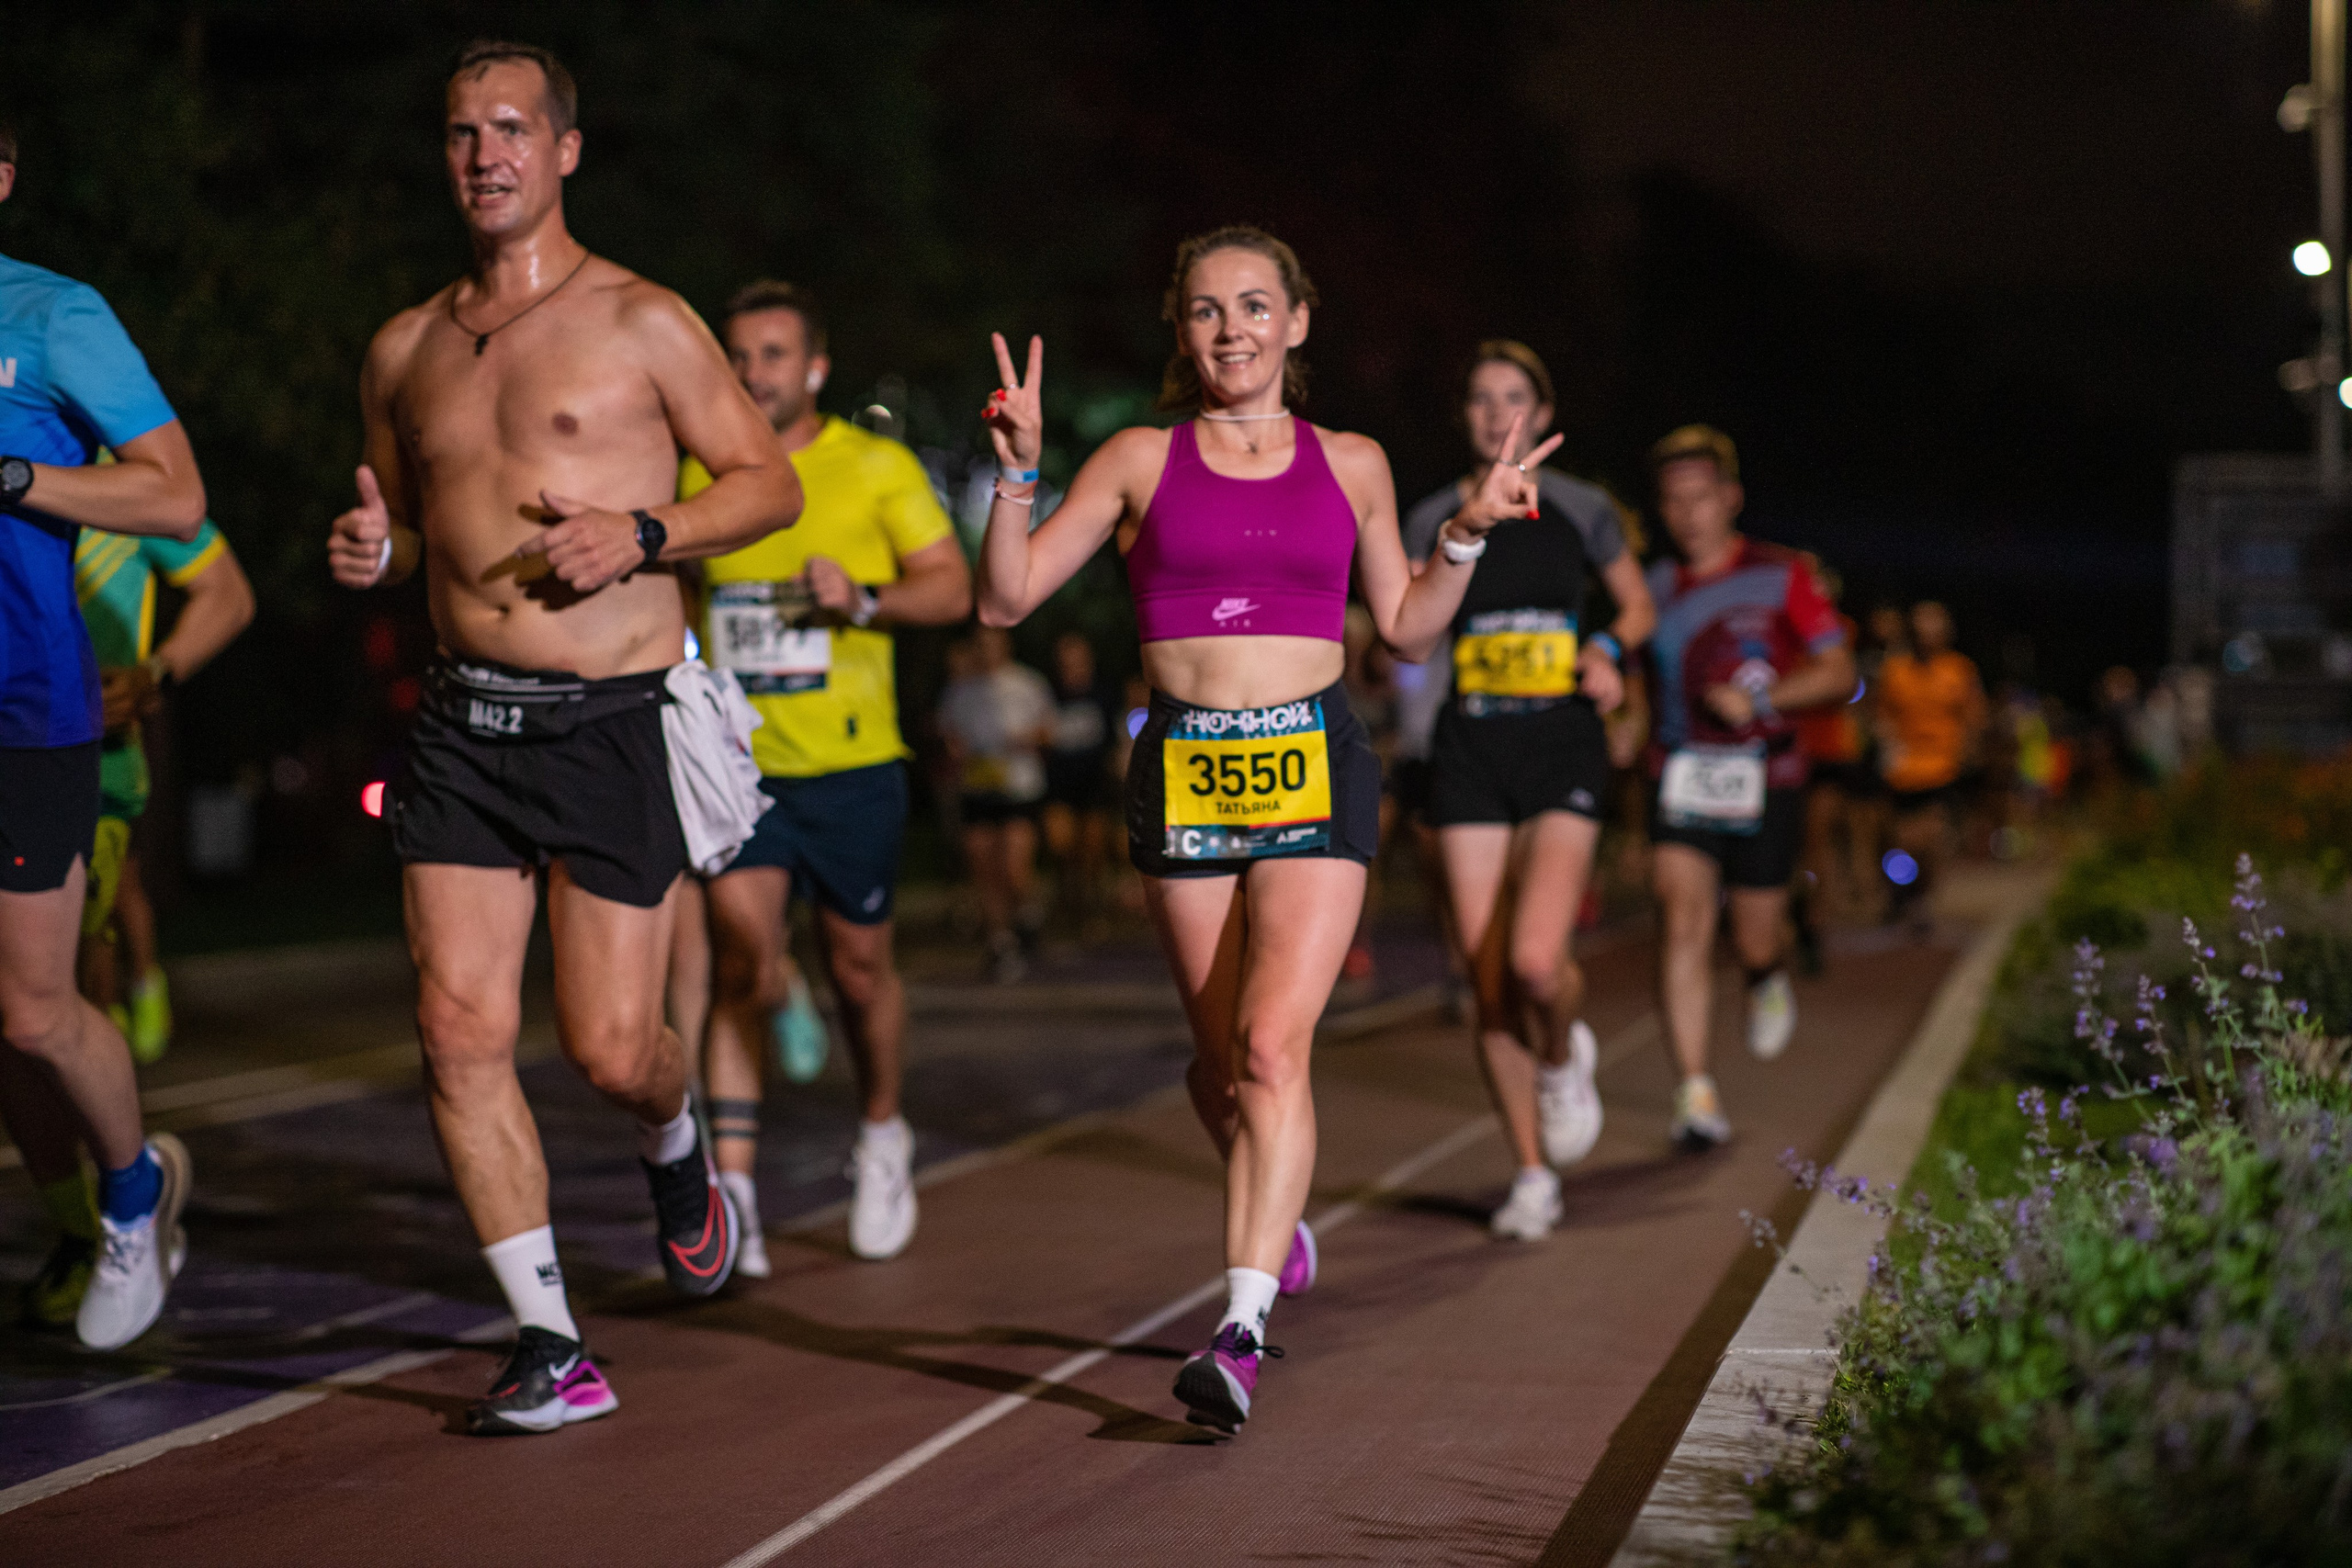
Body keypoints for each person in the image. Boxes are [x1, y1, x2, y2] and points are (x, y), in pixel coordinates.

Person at [976, 226, 1553, 1431]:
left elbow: (1404, 628)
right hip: (1183, 768)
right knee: (1219, 1067)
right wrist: (1019, 470)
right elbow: (1006, 594)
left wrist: (1469, 533)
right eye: (1203, 310)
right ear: (1180, 331)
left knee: (1272, 1048)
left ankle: (1237, 1330)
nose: (1230, 328)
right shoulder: (1139, 455)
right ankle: (1273, 1214)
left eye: (1253, 305)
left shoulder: (1352, 461)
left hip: (1311, 762)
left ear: (1299, 321)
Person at [325, 42, 802, 1435]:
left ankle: (675, 1141)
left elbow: (765, 483)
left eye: (513, 129)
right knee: (455, 1027)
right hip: (464, 724)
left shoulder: (646, 320)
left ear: (565, 152)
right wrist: (379, 544)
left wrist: (648, 531)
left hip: (608, 722)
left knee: (608, 1047)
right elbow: (421, 519)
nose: (486, 154)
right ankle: (549, 1338)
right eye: (464, 131)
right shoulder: (403, 346)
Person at [688, 278, 971, 1269]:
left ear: (813, 367)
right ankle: (736, 1197)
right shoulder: (695, 468)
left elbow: (952, 589)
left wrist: (861, 599)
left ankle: (883, 1130)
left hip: (853, 765)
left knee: (859, 971)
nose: (751, 373)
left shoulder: (875, 466)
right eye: (737, 355)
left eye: (771, 355)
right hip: (740, 771)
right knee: (738, 959)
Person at [0, 120, 208, 1349]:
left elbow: (175, 494)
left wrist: (18, 479)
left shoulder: (56, 314)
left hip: (27, 708)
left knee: (31, 1009)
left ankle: (134, 1197)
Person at [1404, 342, 1656, 1242]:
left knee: (1537, 963)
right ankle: (1529, 1171)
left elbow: (1636, 607)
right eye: (1478, 398)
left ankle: (1561, 1057)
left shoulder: (1582, 509)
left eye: (1513, 397)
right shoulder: (1435, 514)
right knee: (1486, 981)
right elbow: (1406, 625)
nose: (1493, 413)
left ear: (1542, 413)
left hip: (1559, 746)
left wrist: (1608, 651)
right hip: (1469, 745)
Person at [1640, 425, 1853, 1151]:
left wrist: (1764, 701)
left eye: (1701, 497)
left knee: (1752, 931)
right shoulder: (1651, 588)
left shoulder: (1782, 574)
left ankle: (1766, 973)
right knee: (1683, 916)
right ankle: (1694, 1093)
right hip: (1680, 772)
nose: (1688, 513)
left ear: (1730, 498)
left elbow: (1839, 672)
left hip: (1767, 777)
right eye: (1674, 500)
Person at [74, 511, 256, 1062]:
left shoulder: (127, 470)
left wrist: (153, 674)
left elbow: (230, 595)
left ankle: (145, 988)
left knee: (105, 916)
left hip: (98, 771)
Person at [938, 626, 1057, 981]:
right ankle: (1000, 942)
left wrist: (1025, 739)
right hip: (978, 786)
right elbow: (947, 733)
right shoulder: (960, 692)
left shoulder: (1027, 683)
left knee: (1014, 867)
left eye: (993, 645)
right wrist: (956, 750)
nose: (987, 652)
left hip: (1020, 787)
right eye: (981, 645)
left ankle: (1027, 911)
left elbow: (1050, 729)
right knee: (983, 866)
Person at [1872, 600, 1985, 933]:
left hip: (1942, 768)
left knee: (1932, 837)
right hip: (1904, 769)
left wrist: (1968, 754)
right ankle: (1902, 891)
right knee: (1901, 839)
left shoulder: (1959, 670)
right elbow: (1882, 716)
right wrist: (1887, 744)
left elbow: (1973, 718)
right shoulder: (1896, 670)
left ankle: (1920, 897)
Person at [1787, 555, 1866, 975]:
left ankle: (1813, 923)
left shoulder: (1838, 632)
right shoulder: (1777, 628)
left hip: (1826, 752)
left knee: (1816, 838)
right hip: (1782, 749)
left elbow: (1843, 686)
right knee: (1788, 843)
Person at [1041, 631, 1118, 931]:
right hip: (1059, 783)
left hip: (1095, 783)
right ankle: (1068, 902)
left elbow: (1117, 735)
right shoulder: (1049, 693)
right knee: (1061, 846)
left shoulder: (1104, 693)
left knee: (1092, 850)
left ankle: (1091, 908)